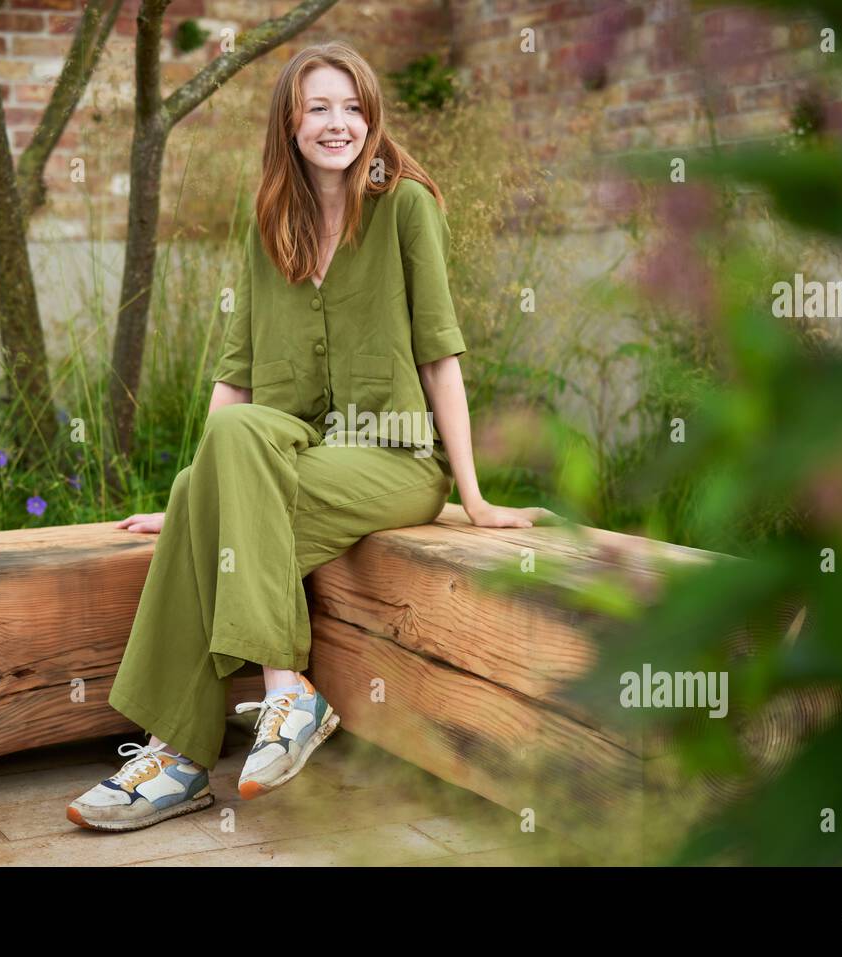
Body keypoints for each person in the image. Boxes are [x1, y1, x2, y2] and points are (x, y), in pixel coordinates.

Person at [67, 41, 553, 832]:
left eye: (354, 106)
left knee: (222, 472)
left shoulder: (406, 207)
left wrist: (475, 496)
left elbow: (440, 355)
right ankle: (223, 733)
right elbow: (237, 380)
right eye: (320, 108)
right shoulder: (269, 226)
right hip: (292, 461)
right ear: (289, 124)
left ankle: (222, 727)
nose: (340, 124)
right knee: (203, 482)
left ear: (373, 117)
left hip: (395, 461)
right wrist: (196, 500)